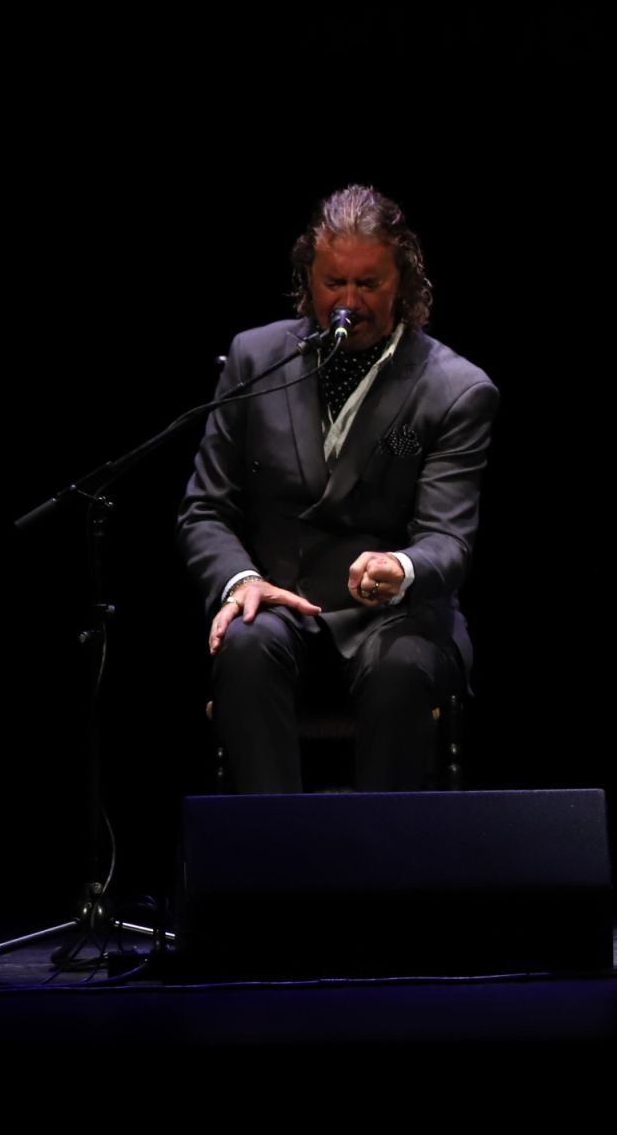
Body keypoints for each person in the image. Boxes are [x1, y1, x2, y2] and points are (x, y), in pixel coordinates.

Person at [178, 185, 499, 792]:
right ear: (309, 277)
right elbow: (204, 509)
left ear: (403, 282)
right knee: (244, 648)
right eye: (333, 284)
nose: (347, 303)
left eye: (368, 285)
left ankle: (383, 875)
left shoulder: (454, 390)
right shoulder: (255, 358)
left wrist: (401, 565)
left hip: (394, 619)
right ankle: (274, 868)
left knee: (402, 669)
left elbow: (448, 539)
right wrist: (243, 583)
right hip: (279, 604)